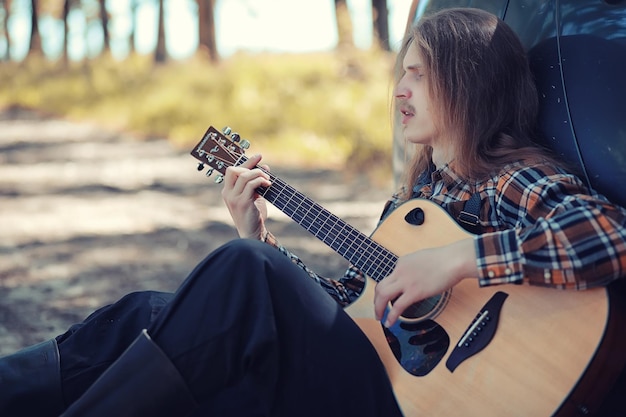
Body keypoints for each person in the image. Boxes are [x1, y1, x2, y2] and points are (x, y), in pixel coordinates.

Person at [1, 7, 625, 417]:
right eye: (399, 75)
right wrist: (260, 238)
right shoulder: (417, 205)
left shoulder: (509, 180)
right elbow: (344, 304)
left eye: (417, 74)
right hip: (372, 371)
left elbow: (610, 236)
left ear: (467, 82)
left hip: (411, 399)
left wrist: (456, 260)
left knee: (245, 276)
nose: (399, 91)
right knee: (148, 310)